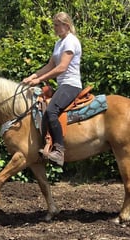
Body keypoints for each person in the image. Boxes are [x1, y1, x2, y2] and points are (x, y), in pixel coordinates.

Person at [22, 12, 82, 166]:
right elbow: (50, 66)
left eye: (57, 25)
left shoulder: (70, 41)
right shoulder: (59, 43)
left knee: (51, 111)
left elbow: (62, 67)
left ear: (66, 25)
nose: (54, 28)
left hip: (71, 85)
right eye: (54, 24)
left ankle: (59, 150)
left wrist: (39, 80)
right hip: (63, 85)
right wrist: (31, 77)